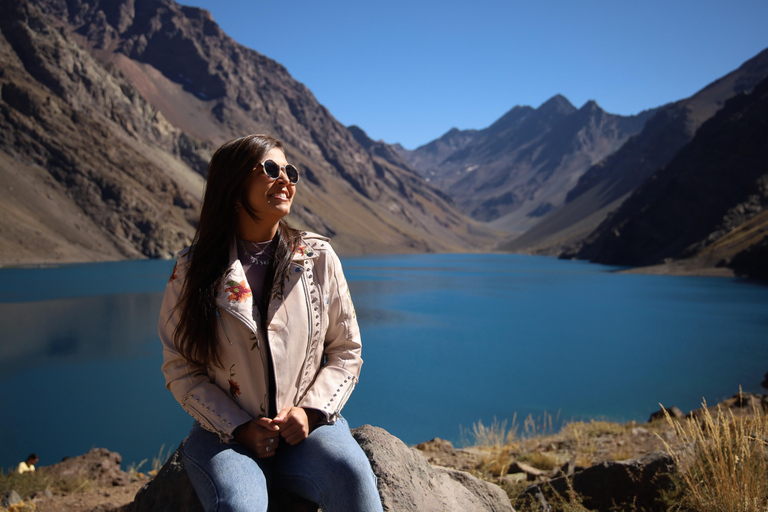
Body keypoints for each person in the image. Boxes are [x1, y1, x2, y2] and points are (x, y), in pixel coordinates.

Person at [159, 134, 383, 512]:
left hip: (307, 433)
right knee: (239, 505)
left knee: (353, 477)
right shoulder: (191, 270)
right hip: (224, 439)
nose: (286, 180)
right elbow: (181, 366)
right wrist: (238, 426)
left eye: (290, 171)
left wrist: (310, 412)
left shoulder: (317, 257)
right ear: (232, 185)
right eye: (270, 169)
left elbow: (346, 349)